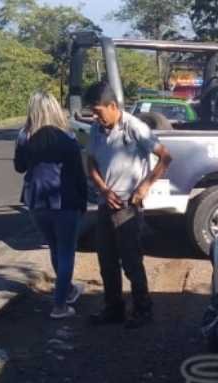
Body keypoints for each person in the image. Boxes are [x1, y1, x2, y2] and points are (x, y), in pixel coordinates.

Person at [83, 80, 172, 329]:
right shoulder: (96, 129)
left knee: (131, 261)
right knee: (106, 261)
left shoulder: (134, 127)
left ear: (112, 106)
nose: (95, 115)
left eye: (98, 110)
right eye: (92, 111)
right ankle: (114, 309)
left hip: (127, 207)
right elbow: (90, 162)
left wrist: (144, 187)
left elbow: (166, 156)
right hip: (105, 202)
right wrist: (102, 187)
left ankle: (143, 310)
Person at [14, 92, 88, 319]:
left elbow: (19, 167)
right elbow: (78, 175)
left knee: (56, 249)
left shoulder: (25, 136)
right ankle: (60, 305)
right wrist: (83, 202)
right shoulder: (68, 137)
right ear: (55, 109)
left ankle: (68, 291)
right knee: (66, 252)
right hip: (64, 201)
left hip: (36, 202)